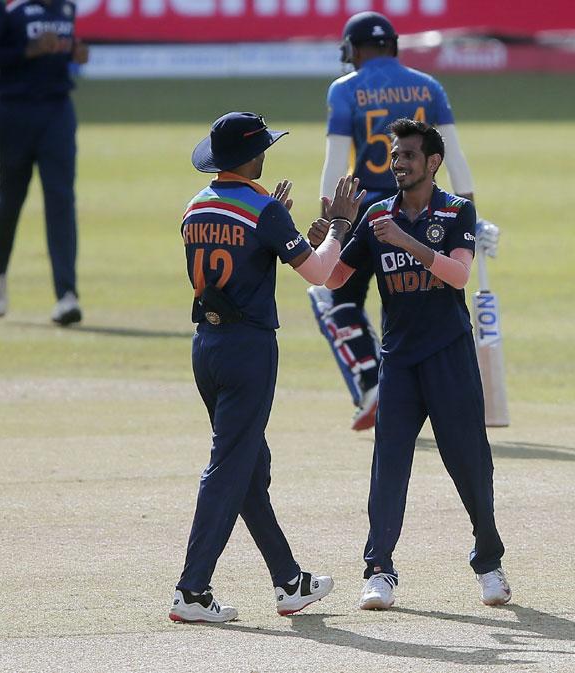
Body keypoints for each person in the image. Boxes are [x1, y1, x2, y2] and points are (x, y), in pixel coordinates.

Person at [169, 111, 365, 623]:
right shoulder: (263, 209)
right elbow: (321, 274)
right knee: (230, 468)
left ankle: (288, 580)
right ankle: (192, 590)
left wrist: (273, 224)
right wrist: (340, 224)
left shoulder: (196, 206)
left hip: (206, 346)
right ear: (253, 156)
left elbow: (225, 260)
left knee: (248, 469)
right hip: (248, 349)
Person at [323, 118, 509, 610]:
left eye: (407, 155)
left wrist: (408, 243)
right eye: (393, 155)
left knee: (470, 464)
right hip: (399, 361)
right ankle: (379, 569)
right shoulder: (376, 213)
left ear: (433, 162)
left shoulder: (456, 211)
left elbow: (458, 274)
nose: (397, 163)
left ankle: (488, 562)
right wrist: (334, 232)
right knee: (389, 467)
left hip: (449, 355)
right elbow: (334, 278)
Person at [309, 10, 498, 431]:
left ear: (354, 50)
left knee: (331, 296)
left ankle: (370, 381)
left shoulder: (344, 89)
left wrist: (331, 227)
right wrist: (471, 218)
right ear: (393, 45)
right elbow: (455, 157)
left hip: (366, 214)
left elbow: (336, 163)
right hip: (425, 209)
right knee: (418, 300)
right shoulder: (428, 86)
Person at [0, 0, 89, 325]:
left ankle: (67, 295)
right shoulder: (8, 8)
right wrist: (27, 50)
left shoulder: (66, 9)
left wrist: (74, 53)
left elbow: (58, 57)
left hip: (57, 110)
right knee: (11, 196)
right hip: (13, 111)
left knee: (61, 198)